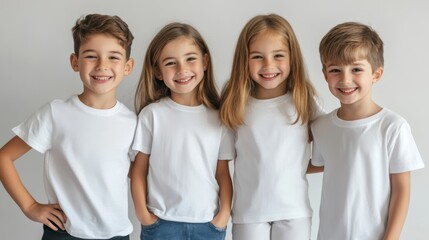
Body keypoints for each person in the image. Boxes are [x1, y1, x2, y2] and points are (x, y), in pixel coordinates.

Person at [0, 14, 136, 239]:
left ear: (127, 66)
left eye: (113, 57)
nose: (102, 65)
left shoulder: (133, 122)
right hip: (64, 233)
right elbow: (4, 157)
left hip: (116, 234)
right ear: (75, 62)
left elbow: (138, 175)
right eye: (91, 56)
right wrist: (30, 206)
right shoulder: (55, 113)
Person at [311, 22, 425, 240]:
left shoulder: (392, 127)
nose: (345, 79)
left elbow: (401, 190)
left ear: (376, 74)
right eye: (335, 70)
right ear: (325, 75)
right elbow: (320, 165)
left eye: (356, 69)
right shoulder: (322, 127)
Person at [220, 14, 322, 240]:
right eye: (257, 56)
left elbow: (329, 147)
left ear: (292, 57)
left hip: (294, 211)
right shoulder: (236, 102)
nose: (268, 65)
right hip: (248, 213)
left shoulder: (303, 99)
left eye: (278, 56)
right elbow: (222, 158)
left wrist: (293, 166)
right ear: (244, 60)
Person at [130, 22, 234, 240]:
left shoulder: (219, 118)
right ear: (157, 71)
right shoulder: (152, 115)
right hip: (161, 225)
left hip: (208, 225)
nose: (182, 69)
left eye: (190, 59)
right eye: (170, 63)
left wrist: (224, 215)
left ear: (205, 61)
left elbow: (222, 172)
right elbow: (138, 170)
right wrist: (143, 215)